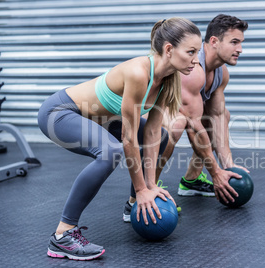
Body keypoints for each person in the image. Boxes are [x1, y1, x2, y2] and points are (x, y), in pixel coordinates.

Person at [38, 18, 202, 261]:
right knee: (110, 152)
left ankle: (134, 205)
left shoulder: (169, 79)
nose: (196, 60)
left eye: (197, 52)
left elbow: (153, 134)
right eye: (191, 52)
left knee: (164, 137)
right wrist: (141, 186)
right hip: (61, 113)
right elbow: (128, 138)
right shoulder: (138, 73)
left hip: (101, 119)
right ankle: (63, 235)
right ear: (169, 49)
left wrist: (149, 187)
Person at [123, 14, 249, 222]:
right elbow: (193, 126)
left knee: (222, 114)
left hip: (184, 115)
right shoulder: (193, 71)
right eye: (234, 42)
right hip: (145, 116)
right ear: (214, 41)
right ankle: (143, 192)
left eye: (241, 43)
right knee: (177, 123)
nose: (240, 49)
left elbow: (217, 117)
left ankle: (191, 181)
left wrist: (228, 167)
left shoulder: (221, 73)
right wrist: (215, 173)